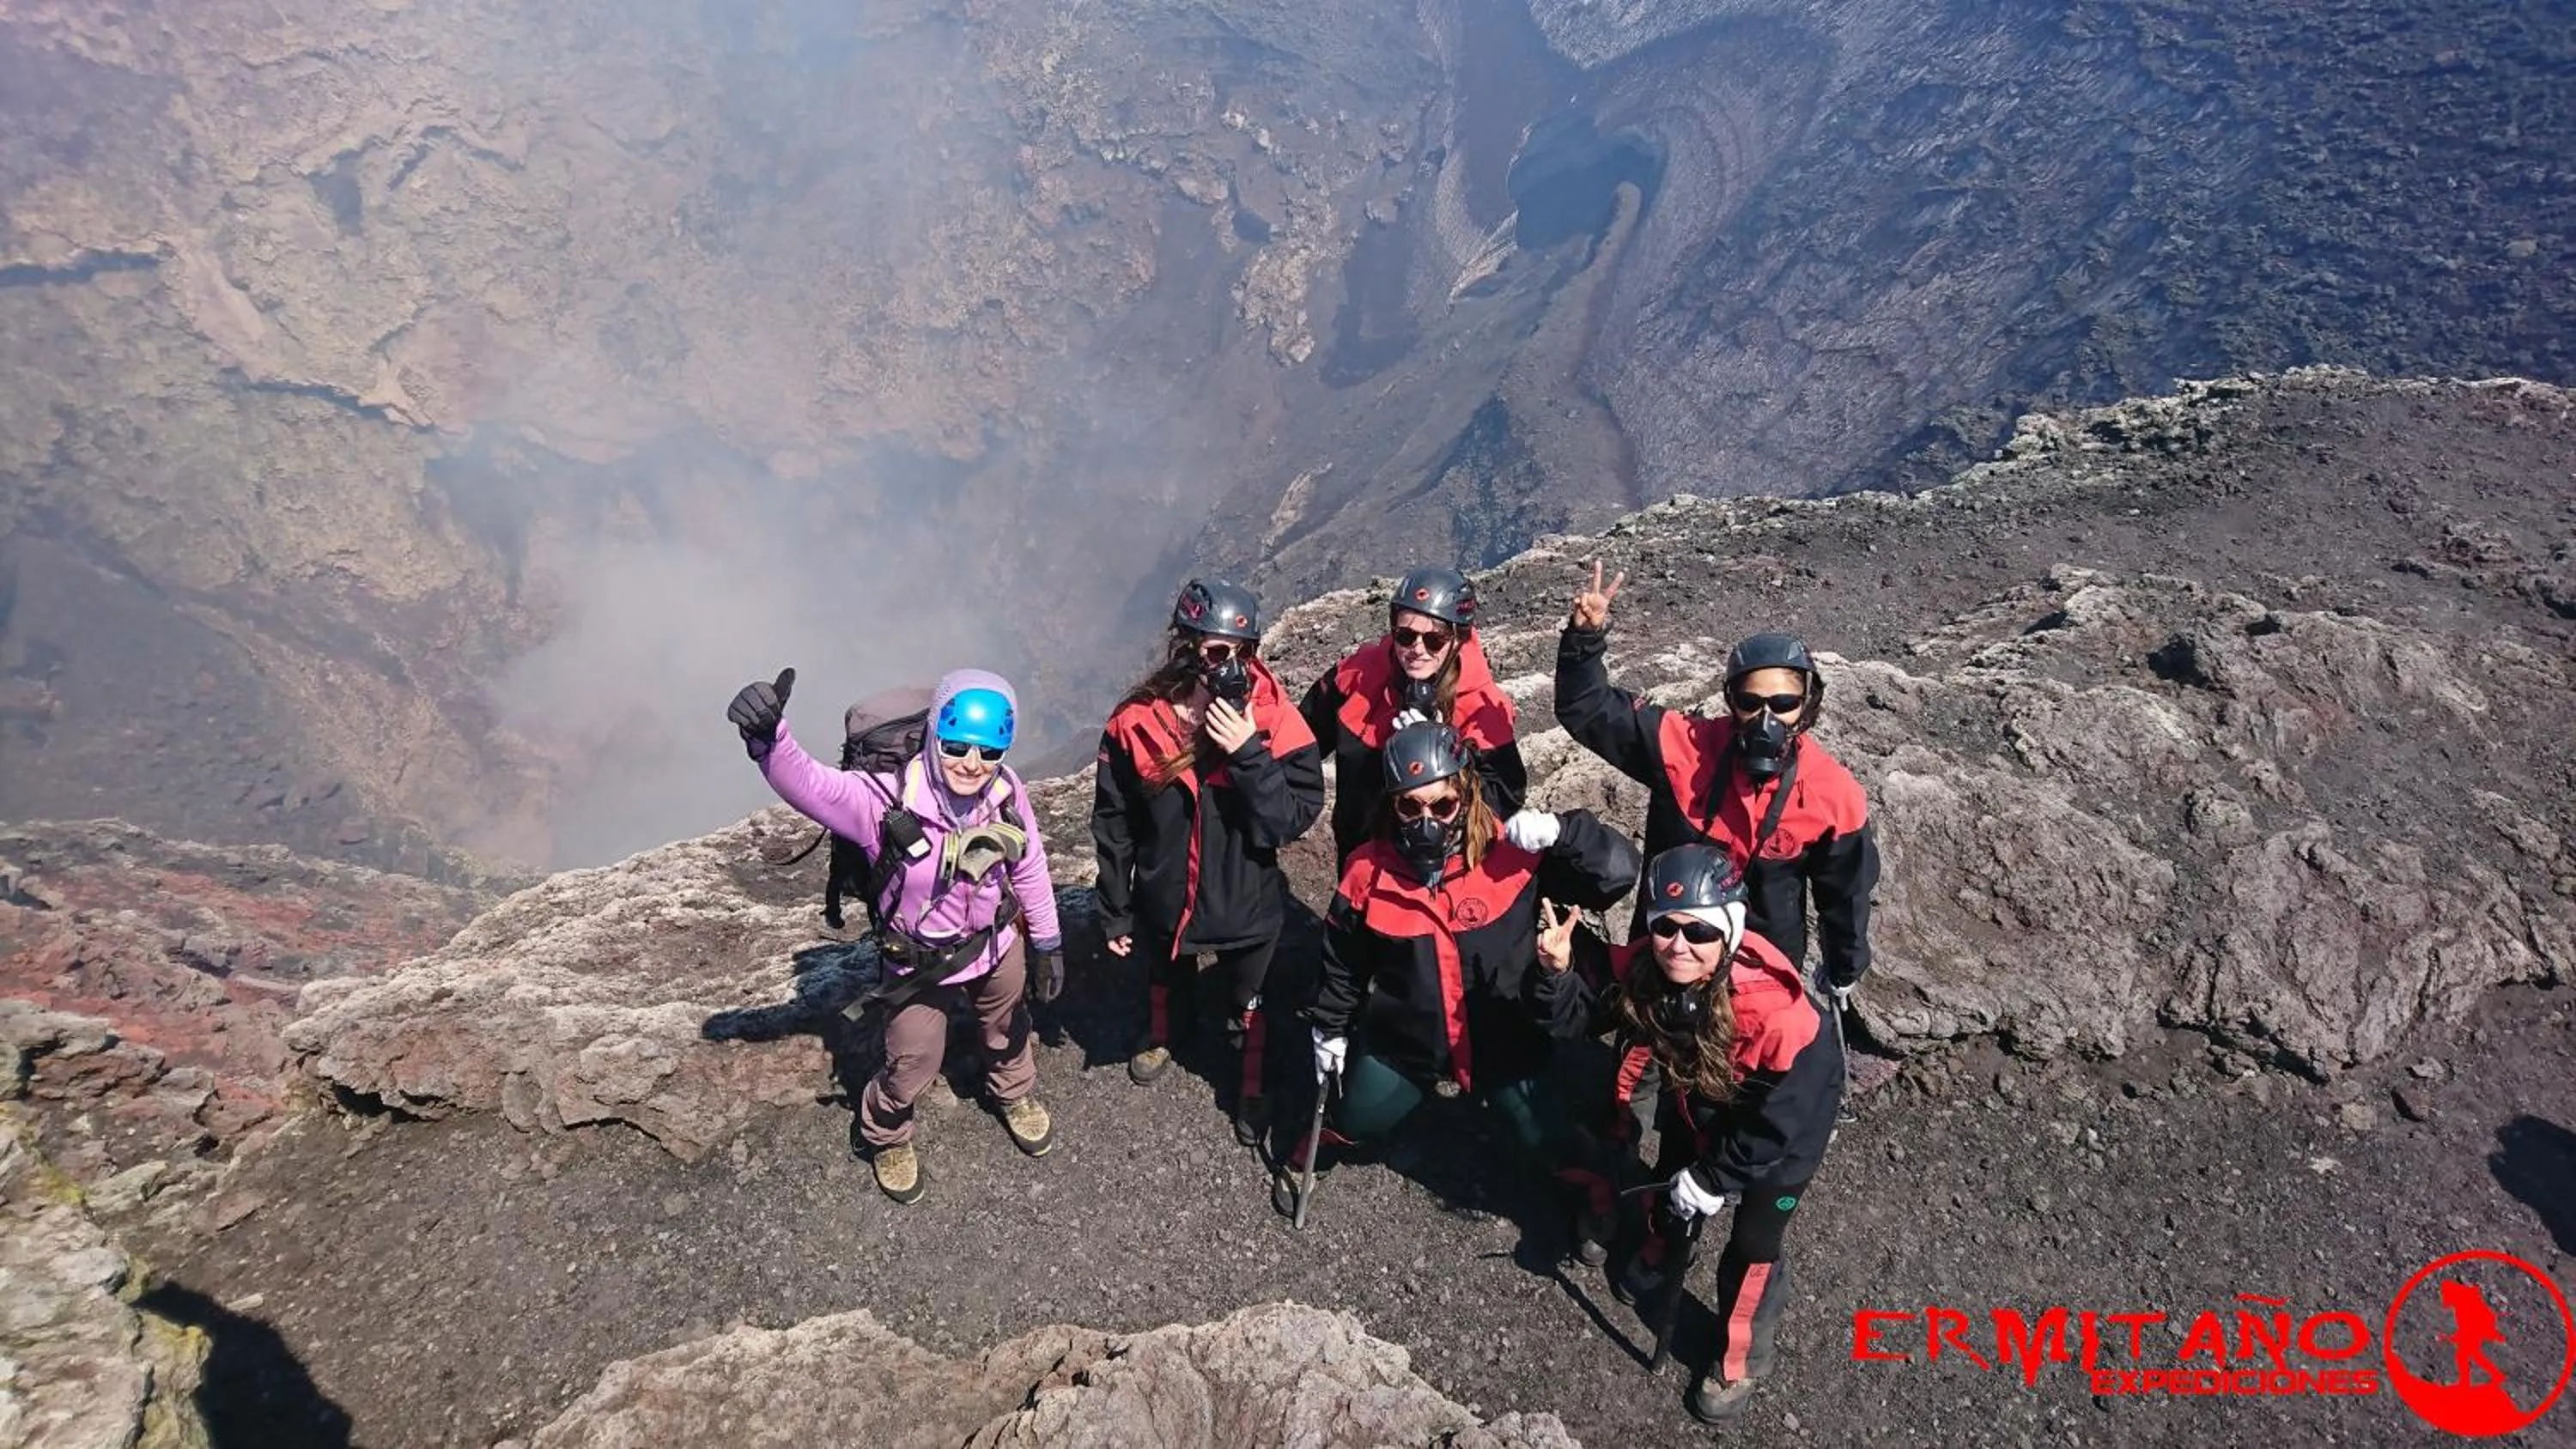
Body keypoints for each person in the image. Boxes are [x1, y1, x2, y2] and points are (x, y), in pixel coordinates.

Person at [727, 665, 1065, 1206]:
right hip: (918, 965)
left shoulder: (1004, 791)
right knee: (912, 1062)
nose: (971, 764)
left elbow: (1029, 866)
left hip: (998, 945)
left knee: (1008, 1028)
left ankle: (1015, 1092)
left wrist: (1047, 942)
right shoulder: (882, 800)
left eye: (989, 751)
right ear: (934, 736)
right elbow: (811, 785)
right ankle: (885, 1132)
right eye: (956, 746)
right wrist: (768, 738)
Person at [1289, 720, 1639, 1236]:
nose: (1425, 820)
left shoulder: (1513, 852)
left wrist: (1565, 832)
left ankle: (1594, 1188)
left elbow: (1618, 872)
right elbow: (1343, 959)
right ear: (1391, 804)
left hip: (1506, 1042)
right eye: (1410, 806)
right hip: (1409, 1044)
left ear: (1467, 792)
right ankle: (1316, 1149)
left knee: (1549, 1141)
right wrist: (1331, 1027)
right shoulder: (1366, 872)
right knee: (1356, 1115)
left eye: (1442, 804)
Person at [1552, 844, 1843, 1422]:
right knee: (1670, 1182)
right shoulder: (1656, 967)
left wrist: (1717, 1177)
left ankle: (1739, 1360)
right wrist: (1559, 953)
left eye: (1700, 931)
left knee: (1755, 1245)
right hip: (1700, 1109)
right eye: (1664, 926)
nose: (1679, 944)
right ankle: (1663, 1251)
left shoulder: (1782, 1017)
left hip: (1779, 1142)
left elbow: (1783, 1120)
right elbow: (1607, 974)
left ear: (1729, 932)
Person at [1552, 561, 1879, 1002]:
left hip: (1759, 972)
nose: (1767, 718)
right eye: (1750, 701)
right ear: (1731, 701)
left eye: (1783, 703)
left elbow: (1845, 896)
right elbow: (1587, 709)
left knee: (1745, 1063)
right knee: (1646, 1057)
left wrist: (1844, 968)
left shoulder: (1833, 796)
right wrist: (1584, 638)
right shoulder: (1684, 747)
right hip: (1668, 949)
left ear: (1807, 705)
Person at [1093, 579, 1326, 1144]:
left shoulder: (1274, 720)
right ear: (1188, 647)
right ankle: (1167, 1033)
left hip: (1246, 899)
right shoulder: (1137, 721)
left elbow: (1291, 819)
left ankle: (1251, 1083)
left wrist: (1248, 752)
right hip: (1166, 894)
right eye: (1219, 651)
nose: (1234, 666)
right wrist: (1116, 908)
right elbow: (1114, 821)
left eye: (1244, 652)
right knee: (1165, 973)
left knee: (1251, 1000)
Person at [1299, 565, 1528, 868]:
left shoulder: (1481, 704)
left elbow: (1504, 797)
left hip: (1442, 867)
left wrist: (1441, 761)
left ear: (1459, 638)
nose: (1417, 649)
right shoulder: (1358, 675)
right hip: (1359, 859)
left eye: (1435, 640)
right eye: (1405, 636)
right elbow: (1300, 739)